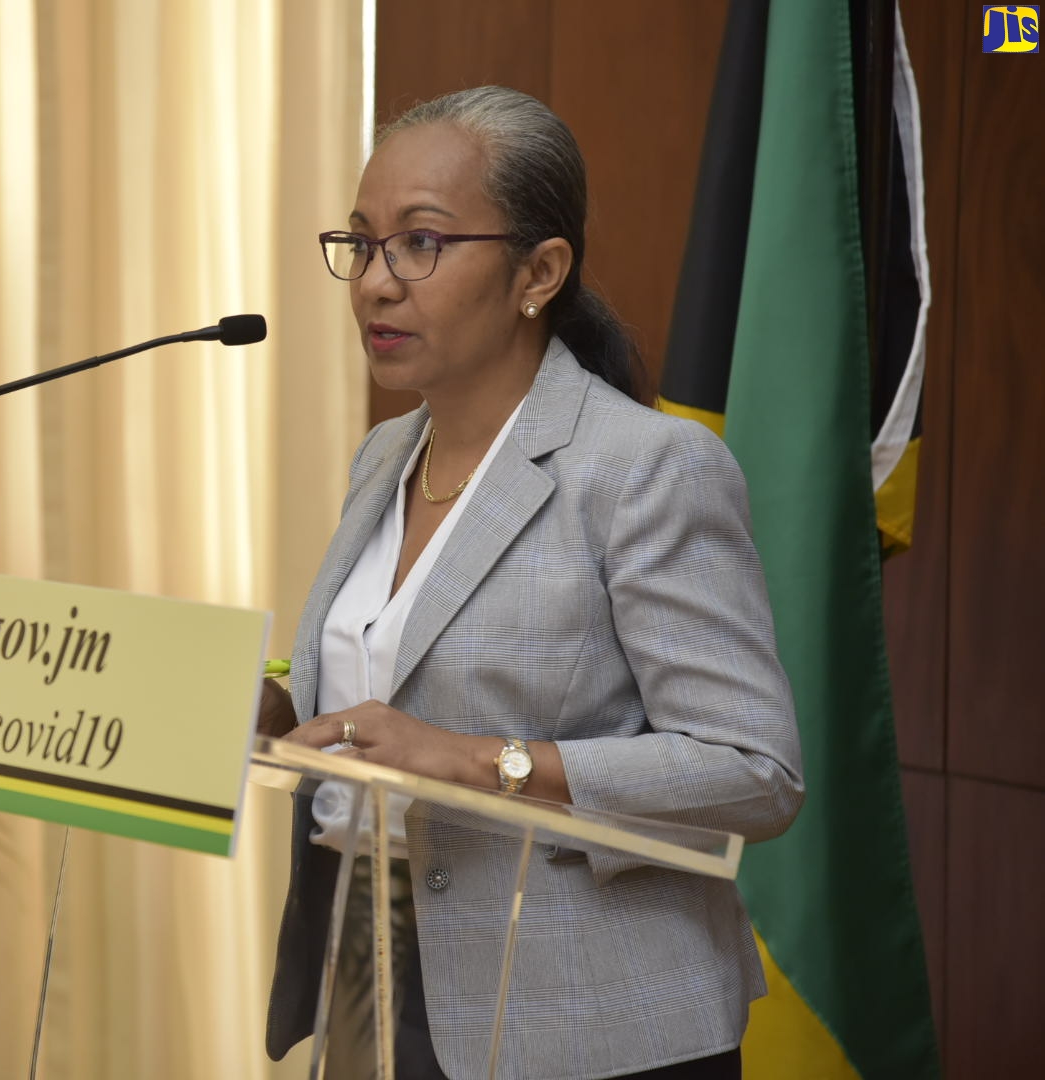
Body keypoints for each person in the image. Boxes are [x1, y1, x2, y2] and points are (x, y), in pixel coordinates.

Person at [259, 86, 804, 1080]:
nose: (376, 283)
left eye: (420, 243)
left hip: (585, 1018)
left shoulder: (644, 467)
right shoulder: (386, 455)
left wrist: (479, 762)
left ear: (539, 271)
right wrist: (271, 706)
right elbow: (396, 679)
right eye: (362, 243)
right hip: (374, 972)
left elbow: (754, 771)